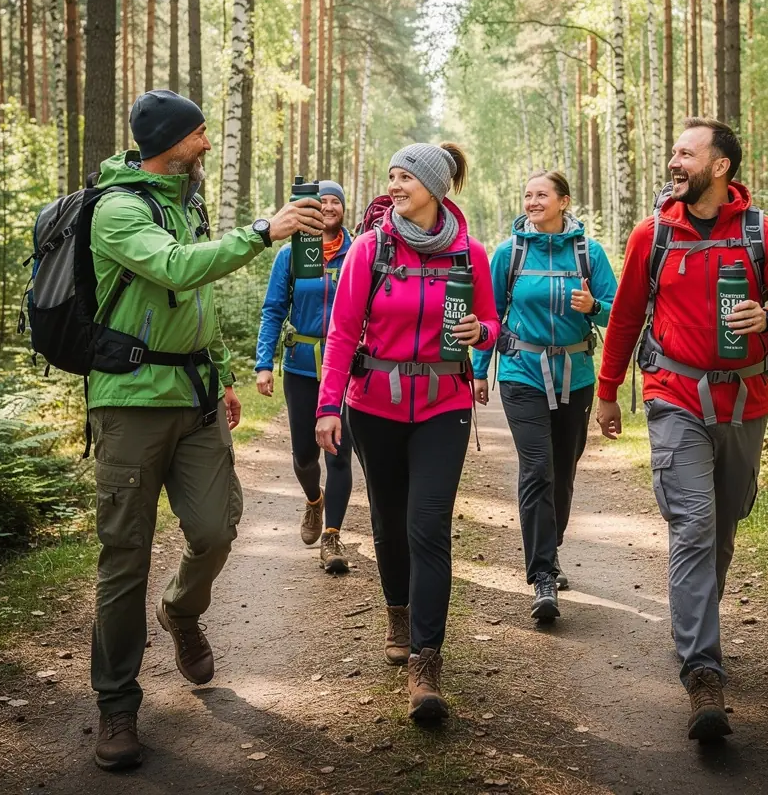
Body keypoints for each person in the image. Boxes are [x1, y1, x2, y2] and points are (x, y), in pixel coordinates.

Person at [86, 89, 320, 770]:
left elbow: (196, 297)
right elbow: (174, 267)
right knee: (125, 557)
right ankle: (117, 705)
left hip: (196, 398)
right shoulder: (118, 209)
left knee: (217, 529)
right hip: (131, 403)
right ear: (169, 142)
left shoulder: (185, 202)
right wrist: (263, 231)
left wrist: (220, 373)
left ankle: (181, 610)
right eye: (198, 136)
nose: (208, 144)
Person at [596, 118, 768, 742]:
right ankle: (703, 672)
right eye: (673, 152)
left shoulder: (765, 235)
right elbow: (626, 315)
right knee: (692, 524)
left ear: (720, 167)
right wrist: (607, 391)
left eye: (686, 154)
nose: (674, 162)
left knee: (721, 527)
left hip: (745, 400)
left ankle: (695, 623)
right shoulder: (653, 235)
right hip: (674, 395)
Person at [315, 142, 499, 722]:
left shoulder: (470, 253)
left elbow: (493, 322)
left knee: (429, 524)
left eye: (406, 178)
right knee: (390, 522)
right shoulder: (369, 249)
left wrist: (481, 333)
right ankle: (397, 610)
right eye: (391, 176)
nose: (394, 186)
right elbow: (342, 332)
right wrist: (327, 406)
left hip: (446, 405)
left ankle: (426, 661)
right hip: (374, 406)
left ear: (435, 187)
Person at [473, 171, 616, 620]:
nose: (532, 202)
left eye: (542, 195)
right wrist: (479, 370)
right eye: (528, 195)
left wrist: (594, 307)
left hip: (576, 375)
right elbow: (490, 316)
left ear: (563, 201)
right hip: (522, 373)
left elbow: (618, 314)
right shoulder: (509, 252)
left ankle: (549, 548)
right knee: (537, 468)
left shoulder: (588, 253)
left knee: (563, 471)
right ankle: (542, 576)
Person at [255, 181, 354, 573]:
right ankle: (314, 500)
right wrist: (264, 363)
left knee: (339, 454)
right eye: (322, 201)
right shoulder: (291, 254)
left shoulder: (358, 252)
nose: (328, 207)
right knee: (304, 456)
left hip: (345, 368)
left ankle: (332, 535)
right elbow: (273, 310)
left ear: (344, 209)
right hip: (300, 367)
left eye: (335, 202)